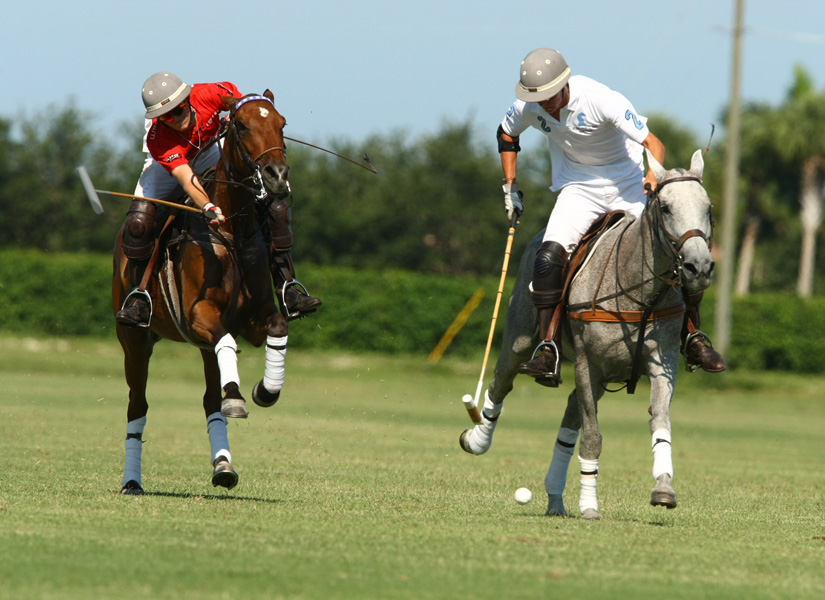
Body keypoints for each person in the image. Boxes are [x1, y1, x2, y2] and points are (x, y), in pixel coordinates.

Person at [497, 48, 725, 386]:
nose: (543, 103)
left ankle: (692, 335)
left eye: (548, 95)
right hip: (578, 190)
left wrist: (652, 177)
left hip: (627, 186)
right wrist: (510, 187)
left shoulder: (600, 99)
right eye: (536, 97)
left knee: (670, 253)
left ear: (564, 84)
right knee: (546, 260)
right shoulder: (529, 107)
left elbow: (654, 144)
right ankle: (549, 348)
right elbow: (506, 134)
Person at [115, 71, 321, 327]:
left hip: (209, 151)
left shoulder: (211, 93)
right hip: (169, 168)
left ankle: (288, 288)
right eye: (167, 116)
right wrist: (207, 205)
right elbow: (186, 178)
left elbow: (246, 111)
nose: (176, 119)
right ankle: (139, 297)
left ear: (187, 100)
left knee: (274, 208)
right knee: (138, 223)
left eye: (179, 109)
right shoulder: (159, 140)